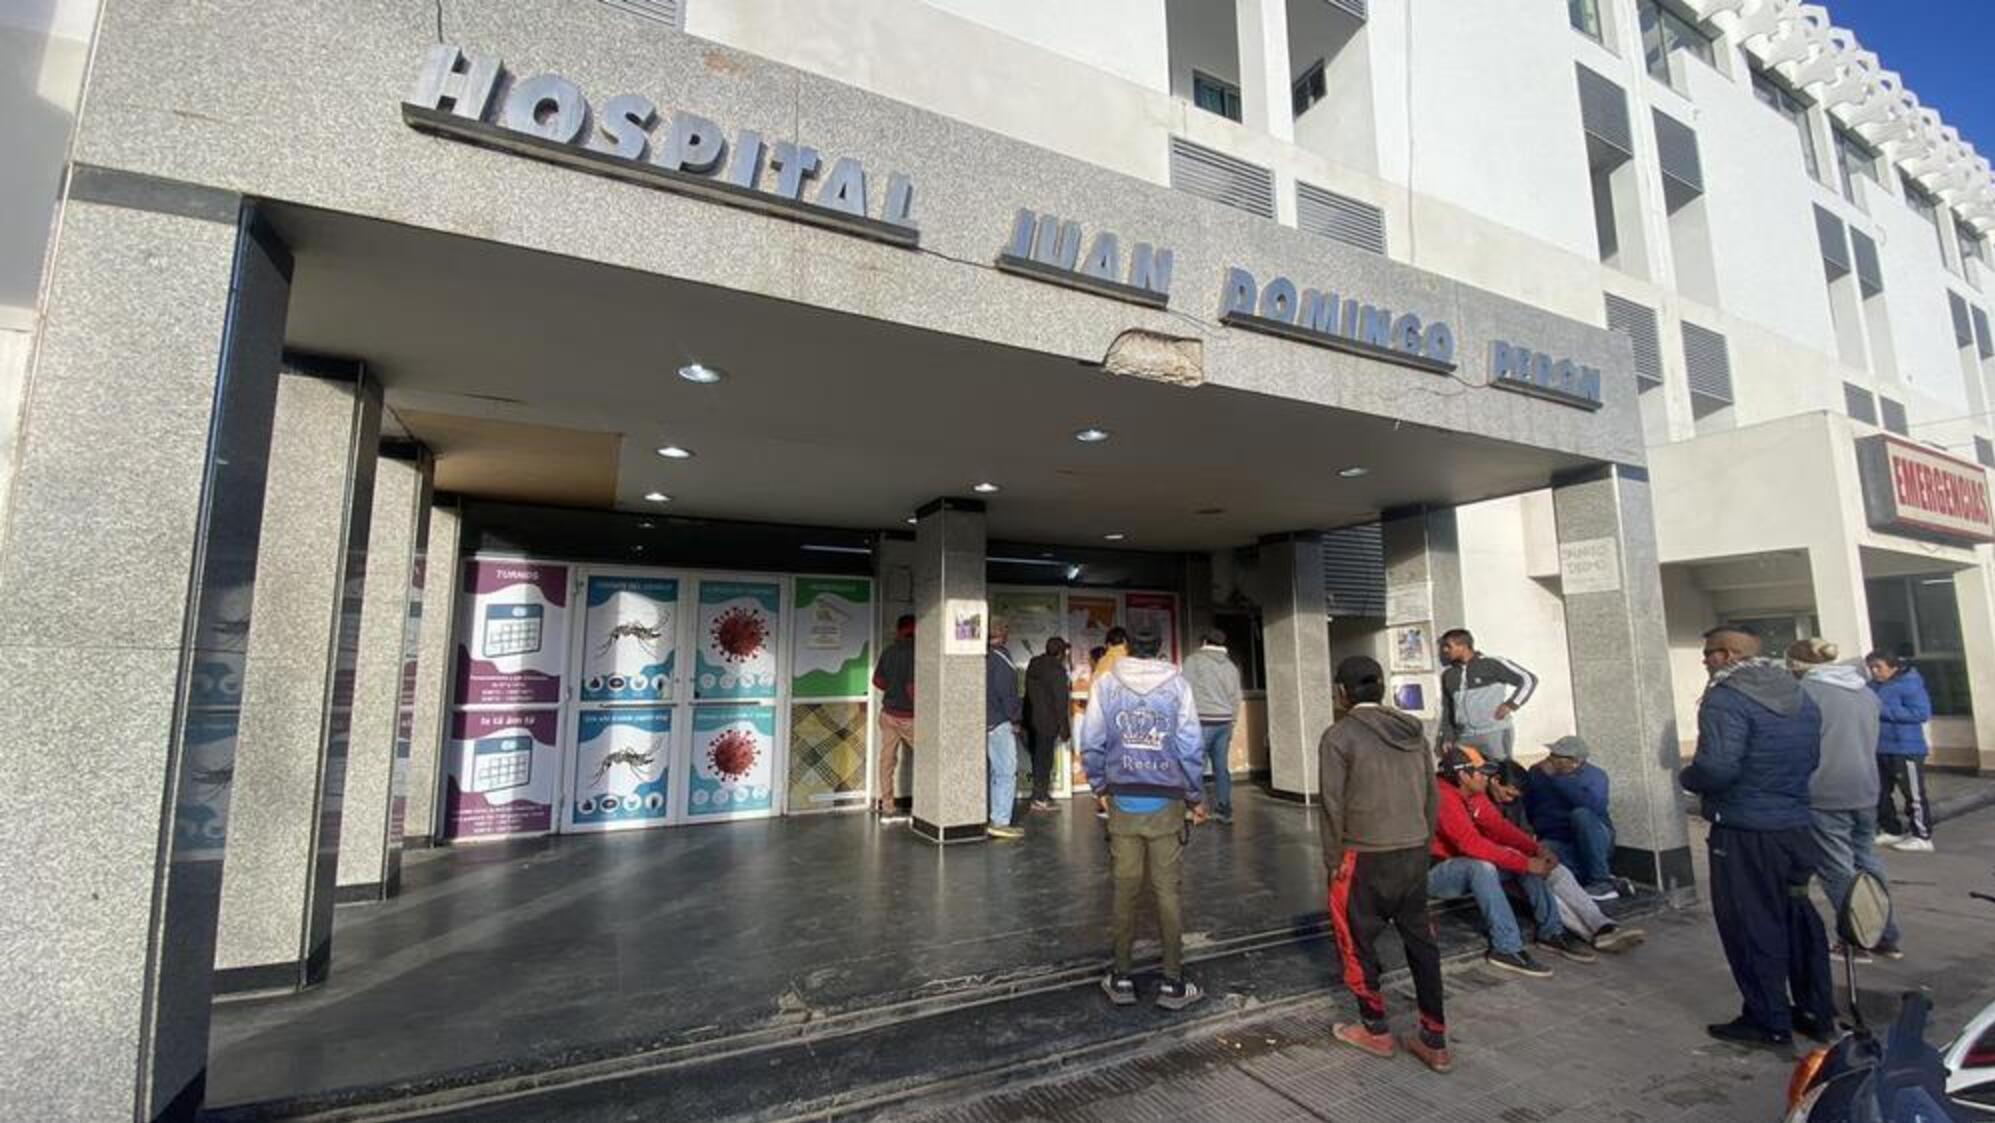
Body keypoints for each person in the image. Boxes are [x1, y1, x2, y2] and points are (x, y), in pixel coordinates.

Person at [1682, 626, 1836, 1051]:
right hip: (1795, 825)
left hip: (1744, 831)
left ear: (1728, 655)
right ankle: (1816, 1012)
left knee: (1751, 923)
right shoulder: (1797, 693)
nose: (1705, 662)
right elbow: (1813, 757)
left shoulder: (1726, 697)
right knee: (1799, 916)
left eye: (1709, 654)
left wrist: (1688, 778)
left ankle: (1767, 1020)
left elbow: (1718, 768)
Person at [1316, 655, 1452, 1073]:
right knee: (1422, 944)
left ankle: (1375, 1029)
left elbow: (1332, 804)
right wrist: (1425, 844)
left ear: (1342, 693)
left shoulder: (1339, 736)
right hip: (1413, 851)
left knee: (1356, 943)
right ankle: (1435, 1038)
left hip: (1363, 854)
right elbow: (1432, 796)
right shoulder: (1415, 733)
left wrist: (1333, 858)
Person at [1080, 629, 1206, 1011]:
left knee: (1125, 890)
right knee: (1167, 892)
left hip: (1122, 800)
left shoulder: (1106, 684)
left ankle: (1120, 977)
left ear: (1129, 648)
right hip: (1165, 802)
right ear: (1160, 649)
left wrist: (1101, 784)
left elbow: (1092, 742)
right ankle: (1172, 982)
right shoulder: (1178, 685)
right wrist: (1194, 794)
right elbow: (1189, 744)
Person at [1430, 745, 1594, 976]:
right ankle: (1506, 948)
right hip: (1434, 873)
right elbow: (1471, 845)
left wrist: (1535, 849)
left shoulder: (1473, 792)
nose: (1487, 778)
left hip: (1463, 864)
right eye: (1482, 773)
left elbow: (1499, 828)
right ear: (1463, 775)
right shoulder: (1442, 796)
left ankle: (1552, 933)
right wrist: (1526, 863)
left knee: (1522, 859)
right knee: (1483, 867)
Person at [1788, 639, 1900, 960]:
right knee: (1868, 861)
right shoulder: (1864, 692)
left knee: (1837, 869)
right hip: (1866, 790)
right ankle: (1886, 935)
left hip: (1826, 792)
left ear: (1797, 665)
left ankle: (1857, 939)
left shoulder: (1806, 694)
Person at [1484, 768, 1644, 954]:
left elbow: (1523, 832)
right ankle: (1594, 935)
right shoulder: (1478, 803)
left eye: (1514, 795)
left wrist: (1536, 853)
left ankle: (1603, 925)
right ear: (1495, 781)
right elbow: (1480, 844)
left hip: (1519, 860)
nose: (1510, 799)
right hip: (1498, 865)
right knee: (1543, 889)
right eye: (1507, 793)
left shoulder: (1514, 804)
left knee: (1559, 872)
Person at [1525, 736, 1621, 901]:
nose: (1550, 760)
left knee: (1581, 815)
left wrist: (1558, 779)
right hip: (1559, 840)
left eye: (1556, 757)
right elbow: (1530, 806)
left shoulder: (1595, 776)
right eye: (1551, 754)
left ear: (1575, 762)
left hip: (1595, 838)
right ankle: (1604, 878)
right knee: (1538, 852)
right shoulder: (1537, 773)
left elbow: (1593, 807)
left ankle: (1601, 882)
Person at [1867, 650, 1935, 853]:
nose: (1874, 671)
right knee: (1880, 792)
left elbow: (1921, 713)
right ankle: (1891, 829)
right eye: (1871, 667)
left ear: (1893, 667)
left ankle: (1922, 835)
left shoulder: (1910, 685)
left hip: (1905, 748)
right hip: (1879, 747)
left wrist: (1883, 711)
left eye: (1879, 667)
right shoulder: (1872, 686)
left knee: (1913, 794)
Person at [1437, 629, 1538, 761]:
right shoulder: (1449, 675)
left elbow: (1528, 679)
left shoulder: (1492, 663)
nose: (1444, 650)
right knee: (1464, 775)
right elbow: (1448, 708)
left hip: (1493, 732)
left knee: (1502, 775)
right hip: (1464, 736)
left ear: (1463, 646)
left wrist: (1512, 704)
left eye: (1448, 646)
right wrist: (1447, 736)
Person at [1182, 628, 1244, 824]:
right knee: (1221, 768)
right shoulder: (1231, 667)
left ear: (1205, 641)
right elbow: (1236, 698)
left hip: (1201, 721)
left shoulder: (1193, 661)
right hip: (1224, 723)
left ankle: (1196, 809)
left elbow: (1183, 690)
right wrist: (1232, 721)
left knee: (1194, 766)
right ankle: (1224, 810)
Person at [871, 613, 916, 820]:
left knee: (886, 761)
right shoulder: (916, 652)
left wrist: (893, 688)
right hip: (909, 717)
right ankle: (928, 805)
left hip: (888, 714)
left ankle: (887, 806)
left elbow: (878, 681)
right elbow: (913, 689)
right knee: (929, 758)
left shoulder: (888, 651)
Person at [984, 617, 1024, 840]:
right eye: (1007, 627)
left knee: (995, 772)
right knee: (1007, 771)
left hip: (985, 720)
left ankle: (995, 816)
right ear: (1000, 632)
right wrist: (1016, 719)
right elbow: (1007, 693)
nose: (1009, 632)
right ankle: (1000, 821)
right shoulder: (1001, 658)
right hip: (999, 721)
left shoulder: (983, 656)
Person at [1022, 637, 1072, 811]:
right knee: (1045, 760)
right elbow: (1060, 702)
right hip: (1047, 722)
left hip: (1031, 720)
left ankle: (1038, 794)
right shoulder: (1057, 671)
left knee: (1037, 759)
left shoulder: (1034, 664)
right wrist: (1065, 728)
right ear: (1060, 653)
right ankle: (1040, 798)